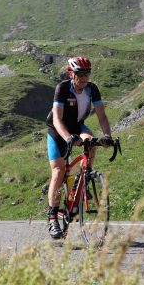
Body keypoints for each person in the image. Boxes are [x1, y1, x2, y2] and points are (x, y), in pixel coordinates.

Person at [45, 56, 114, 239]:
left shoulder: (92, 89)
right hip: (57, 129)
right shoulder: (62, 88)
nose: (84, 77)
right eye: (80, 74)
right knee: (59, 171)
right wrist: (68, 138)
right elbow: (57, 119)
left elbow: (102, 116)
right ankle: (52, 218)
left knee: (91, 143)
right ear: (71, 74)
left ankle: (84, 178)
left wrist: (107, 136)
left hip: (77, 126)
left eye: (87, 74)